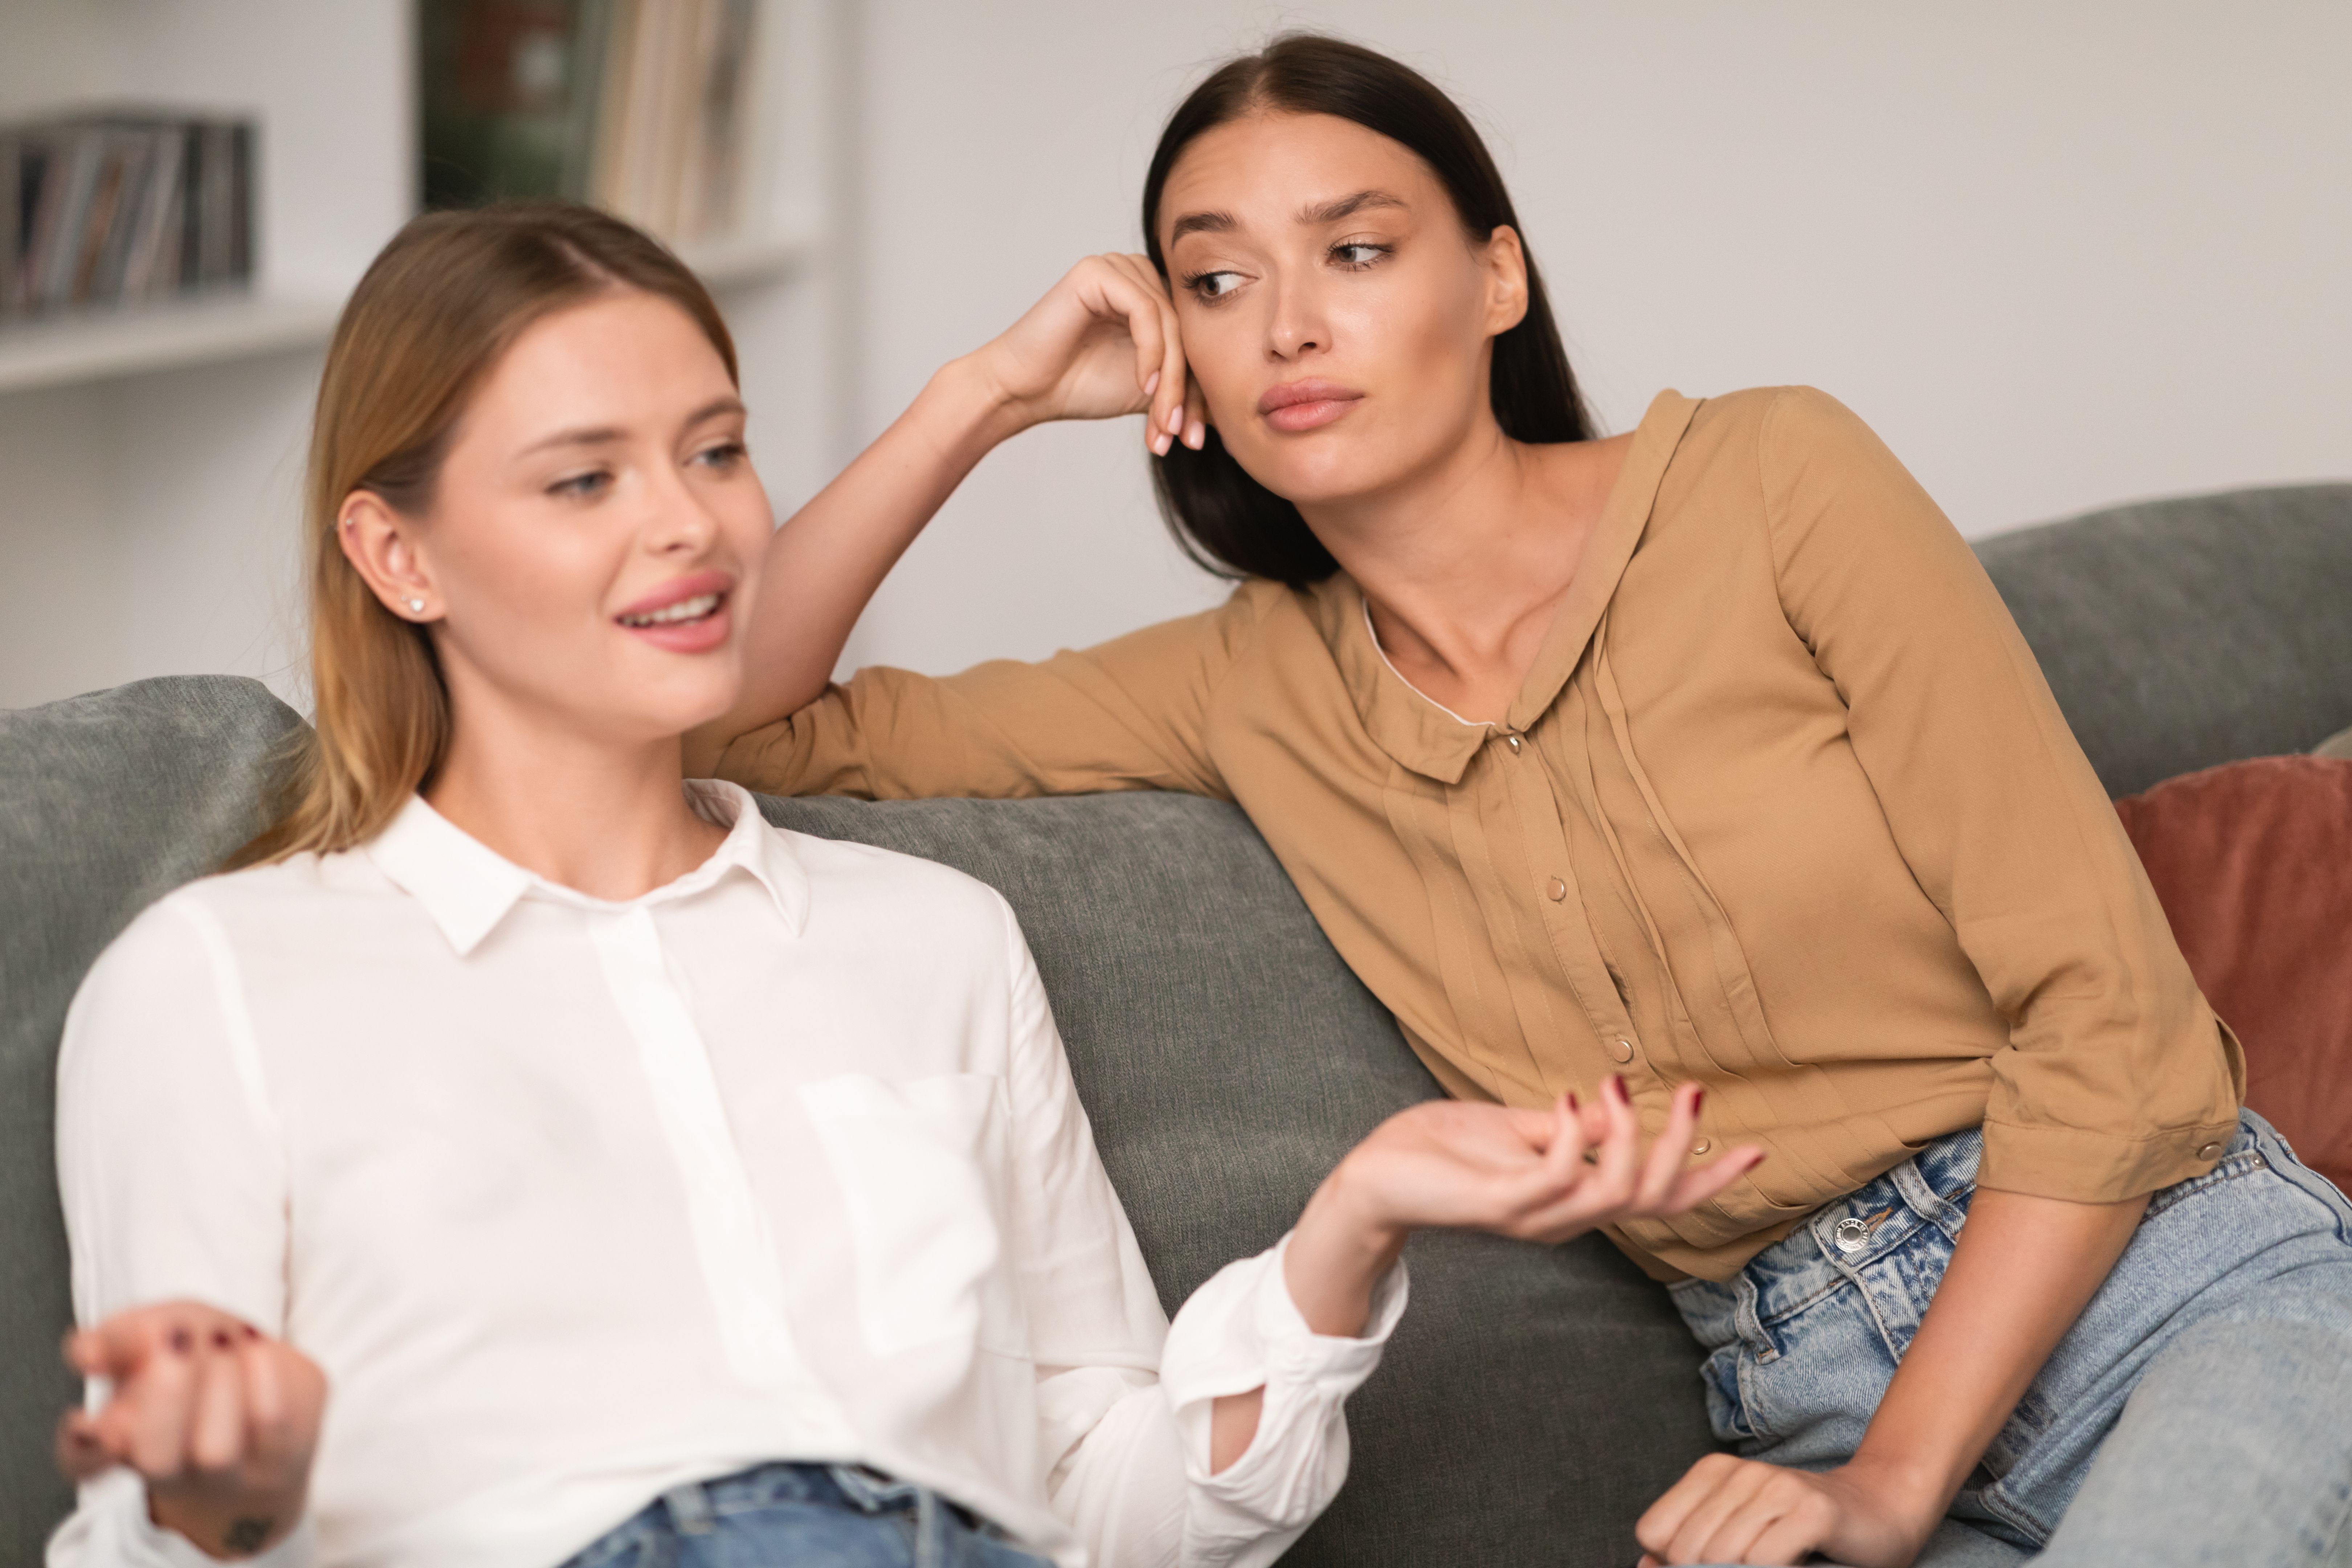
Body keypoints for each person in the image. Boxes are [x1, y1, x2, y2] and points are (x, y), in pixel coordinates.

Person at [693, 32, 2352, 1568]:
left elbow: (2117, 1027)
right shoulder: (1241, 685)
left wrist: (1895, 1480)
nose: (1285, 325)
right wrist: (980, 396)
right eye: (1216, 278)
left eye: (1356, 251)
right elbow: (737, 721)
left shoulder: (1777, 483)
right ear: (1173, 348)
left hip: (2180, 1296)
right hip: (1799, 1391)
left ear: (1495, 277)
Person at [45, 203, 1758, 1568]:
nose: (693, 528)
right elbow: (164, 1529)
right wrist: (234, 1504)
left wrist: (1351, 1222)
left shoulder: (928, 940)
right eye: (585, 480)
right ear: (395, 553)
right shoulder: (220, 980)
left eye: (715, 451)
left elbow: (1109, 1505)